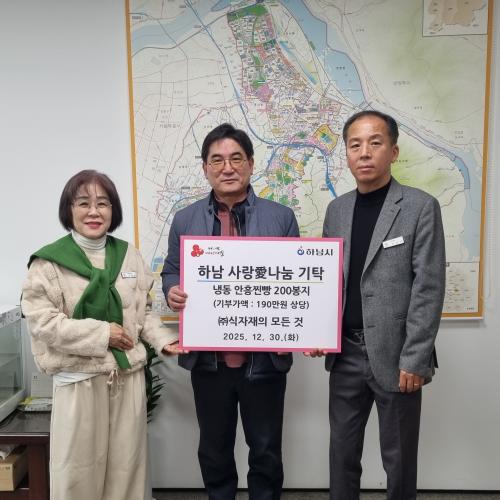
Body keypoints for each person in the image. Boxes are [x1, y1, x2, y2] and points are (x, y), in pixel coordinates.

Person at [21, 170, 180, 500]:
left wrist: (164, 339)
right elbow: (43, 323)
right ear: (69, 210)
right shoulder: (48, 263)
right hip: (78, 380)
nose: (94, 212)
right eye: (83, 203)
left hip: (127, 377)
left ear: (113, 210)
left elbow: (142, 312)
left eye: (103, 203)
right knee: (77, 470)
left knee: (127, 467)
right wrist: (102, 333)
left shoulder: (129, 255)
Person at [161, 123, 300, 500]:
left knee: (266, 450)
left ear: (251, 164)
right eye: (217, 160)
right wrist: (172, 289)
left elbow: (295, 280)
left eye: (236, 158)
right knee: (214, 450)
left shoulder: (281, 217)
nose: (227, 168)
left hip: (264, 360)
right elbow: (172, 269)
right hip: (210, 363)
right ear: (205, 167)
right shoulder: (185, 219)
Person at [319, 110, 446, 499]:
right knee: (342, 454)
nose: (364, 152)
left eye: (375, 143)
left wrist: (415, 358)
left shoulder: (420, 206)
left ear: (393, 151)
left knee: (399, 459)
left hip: (398, 355)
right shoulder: (337, 210)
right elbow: (327, 282)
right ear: (346, 153)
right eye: (354, 145)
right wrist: (317, 331)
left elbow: (429, 286)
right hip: (345, 354)